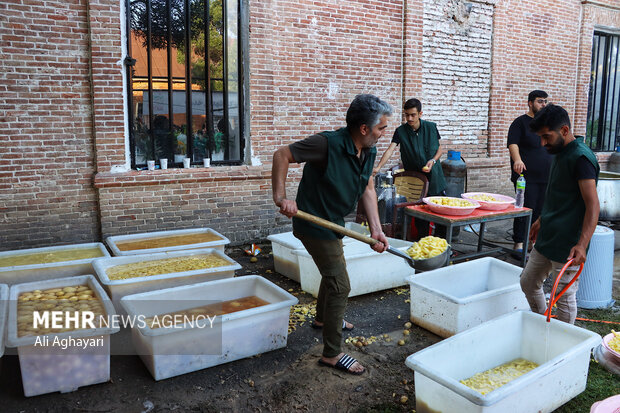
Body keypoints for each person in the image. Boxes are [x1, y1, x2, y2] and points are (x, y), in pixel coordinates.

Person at [272, 94, 391, 375]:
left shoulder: (368, 149)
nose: (383, 134)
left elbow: (368, 188)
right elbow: (282, 154)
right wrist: (281, 198)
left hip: (334, 222)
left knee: (333, 272)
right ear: (364, 128)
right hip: (313, 224)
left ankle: (324, 320)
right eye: (381, 128)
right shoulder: (326, 144)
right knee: (340, 284)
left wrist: (376, 229)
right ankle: (332, 353)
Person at [520, 104, 600, 324]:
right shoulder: (559, 151)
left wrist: (582, 244)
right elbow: (559, 194)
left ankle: (562, 343)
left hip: (569, 244)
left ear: (564, 130)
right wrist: (541, 219)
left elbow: (593, 206)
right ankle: (542, 323)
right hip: (548, 236)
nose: (543, 143)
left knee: (563, 298)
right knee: (528, 282)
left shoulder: (581, 158)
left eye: (547, 137)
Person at [373, 98, 447, 238]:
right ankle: (421, 243)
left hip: (435, 177)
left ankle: (441, 246)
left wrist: (432, 160)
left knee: (440, 213)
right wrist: (378, 167)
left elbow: (440, 149)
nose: (409, 118)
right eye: (407, 115)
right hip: (415, 180)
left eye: (413, 115)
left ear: (420, 113)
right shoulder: (400, 131)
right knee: (420, 216)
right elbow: (390, 150)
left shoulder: (431, 127)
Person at [507, 90, 552, 254]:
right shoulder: (520, 122)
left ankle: (532, 242)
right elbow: (513, 143)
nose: (543, 104)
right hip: (526, 177)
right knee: (525, 208)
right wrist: (517, 160)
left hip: (546, 175)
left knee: (541, 210)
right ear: (530, 102)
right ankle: (519, 242)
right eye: (540, 101)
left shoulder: (547, 123)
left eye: (545, 101)